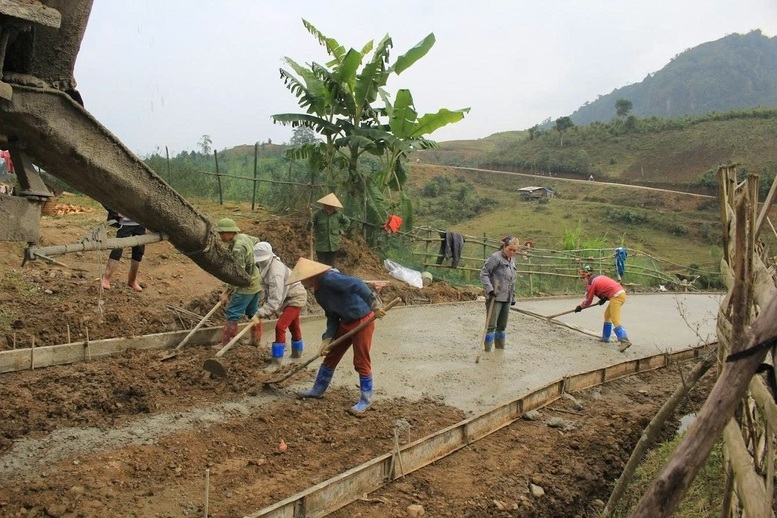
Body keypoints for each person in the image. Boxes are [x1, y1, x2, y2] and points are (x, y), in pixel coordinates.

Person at [286, 257, 384, 415]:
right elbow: (332, 316)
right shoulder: (319, 293)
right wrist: (327, 337)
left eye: (302, 279)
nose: (302, 283)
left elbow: (357, 284)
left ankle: (365, 400)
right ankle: (317, 390)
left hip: (362, 320)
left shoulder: (329, 279)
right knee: (331, 355)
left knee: (361, 360)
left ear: (310, 277)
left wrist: (375, 305)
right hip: (345, 322)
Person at [253, 242, 308, 366]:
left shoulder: (275, 272)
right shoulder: (265, 265)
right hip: (287, 297)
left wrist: (260, 313)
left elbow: (275, 300)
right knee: (294, 326)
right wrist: (262, 305)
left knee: (280, 326)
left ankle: (276, 361)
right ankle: (297, 354)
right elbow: (267, 290)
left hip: (295, 297)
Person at [215, 218, 263, 348]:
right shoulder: (244, 237)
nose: (221, 236)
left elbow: (238, 274)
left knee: (232, 312)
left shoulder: (237, 248)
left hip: (246, 285)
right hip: (256, 281)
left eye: (222, 233)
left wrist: (226, 292)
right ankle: (255, 340)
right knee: (254, 312)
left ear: (230, 232)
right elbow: (257, 241)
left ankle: (227, 343)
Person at [574, 265, 632, 352]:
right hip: (620, 293)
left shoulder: (591, 283)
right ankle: (605, 338)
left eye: (582, 278)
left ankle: (624, 341)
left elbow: (588, 300)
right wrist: (604, 298)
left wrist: (580, 307)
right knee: (607, 315)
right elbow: (607, 288)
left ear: (586, 277)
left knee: (615, 319)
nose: (583, 280)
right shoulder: (599, 277)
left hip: (616, 296)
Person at [479, 236, 521, 351]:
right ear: (504, 246)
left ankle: (499, 350)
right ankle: (487, 351)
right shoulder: (495, 258)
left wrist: (513, 297)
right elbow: (484, 273)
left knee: (502, 326)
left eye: (514, 250)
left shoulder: (512, 260)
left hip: (507, 297)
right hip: (495, 297)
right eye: (510, 249)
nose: (512, 252)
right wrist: (490, 289)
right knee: (491, 326)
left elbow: (512, 279)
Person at [101, 211, 147, 292]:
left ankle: (132, 280)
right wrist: (115, 212)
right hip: (125, 223)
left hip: (140, 222)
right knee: (117, 248)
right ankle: (106, 278)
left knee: (138, 251)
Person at [309, 193, 350, 267]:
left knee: (330, 266)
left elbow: (347, 221)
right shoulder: (317, 214)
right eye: (328, 205)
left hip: (333, 246)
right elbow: (309, 227)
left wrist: (341, 230)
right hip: (321, 246)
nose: (330, 207)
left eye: (332, 206)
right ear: (324, 205)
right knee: (321, 267)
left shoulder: (338, 215)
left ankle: (330, 277)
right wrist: (310, 224)